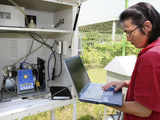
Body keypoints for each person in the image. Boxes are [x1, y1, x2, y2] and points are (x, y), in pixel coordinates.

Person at [103, 2, 160, 120]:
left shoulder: (151, 56)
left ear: (147, 27)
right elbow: (154, 85)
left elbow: (143, 110)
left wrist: (108, 101)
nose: (128, 39)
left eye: (129, 32)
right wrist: (125, 83)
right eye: (125, 33)